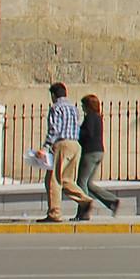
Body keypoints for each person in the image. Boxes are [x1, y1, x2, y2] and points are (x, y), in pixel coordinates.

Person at [40, 81, 93, 222]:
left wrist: (45, 146)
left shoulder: (56, 108)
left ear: (53, 95)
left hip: (61, 144)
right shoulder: (73, 108)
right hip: (75, 145)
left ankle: (54, 213)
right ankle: (85, 200)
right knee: (67, 180)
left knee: (53, 180)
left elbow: (54, 129)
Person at [73, 95, 120, 221]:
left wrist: (77, 130)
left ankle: (84, 211)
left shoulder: (90, 118)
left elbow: (87, 134)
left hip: (90, 152)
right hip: (99, 151)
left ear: (89, 106)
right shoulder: (98, 118)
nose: (82, 108)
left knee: (81, 182)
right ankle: (112, 201)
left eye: (84, 105)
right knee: (88, 184)